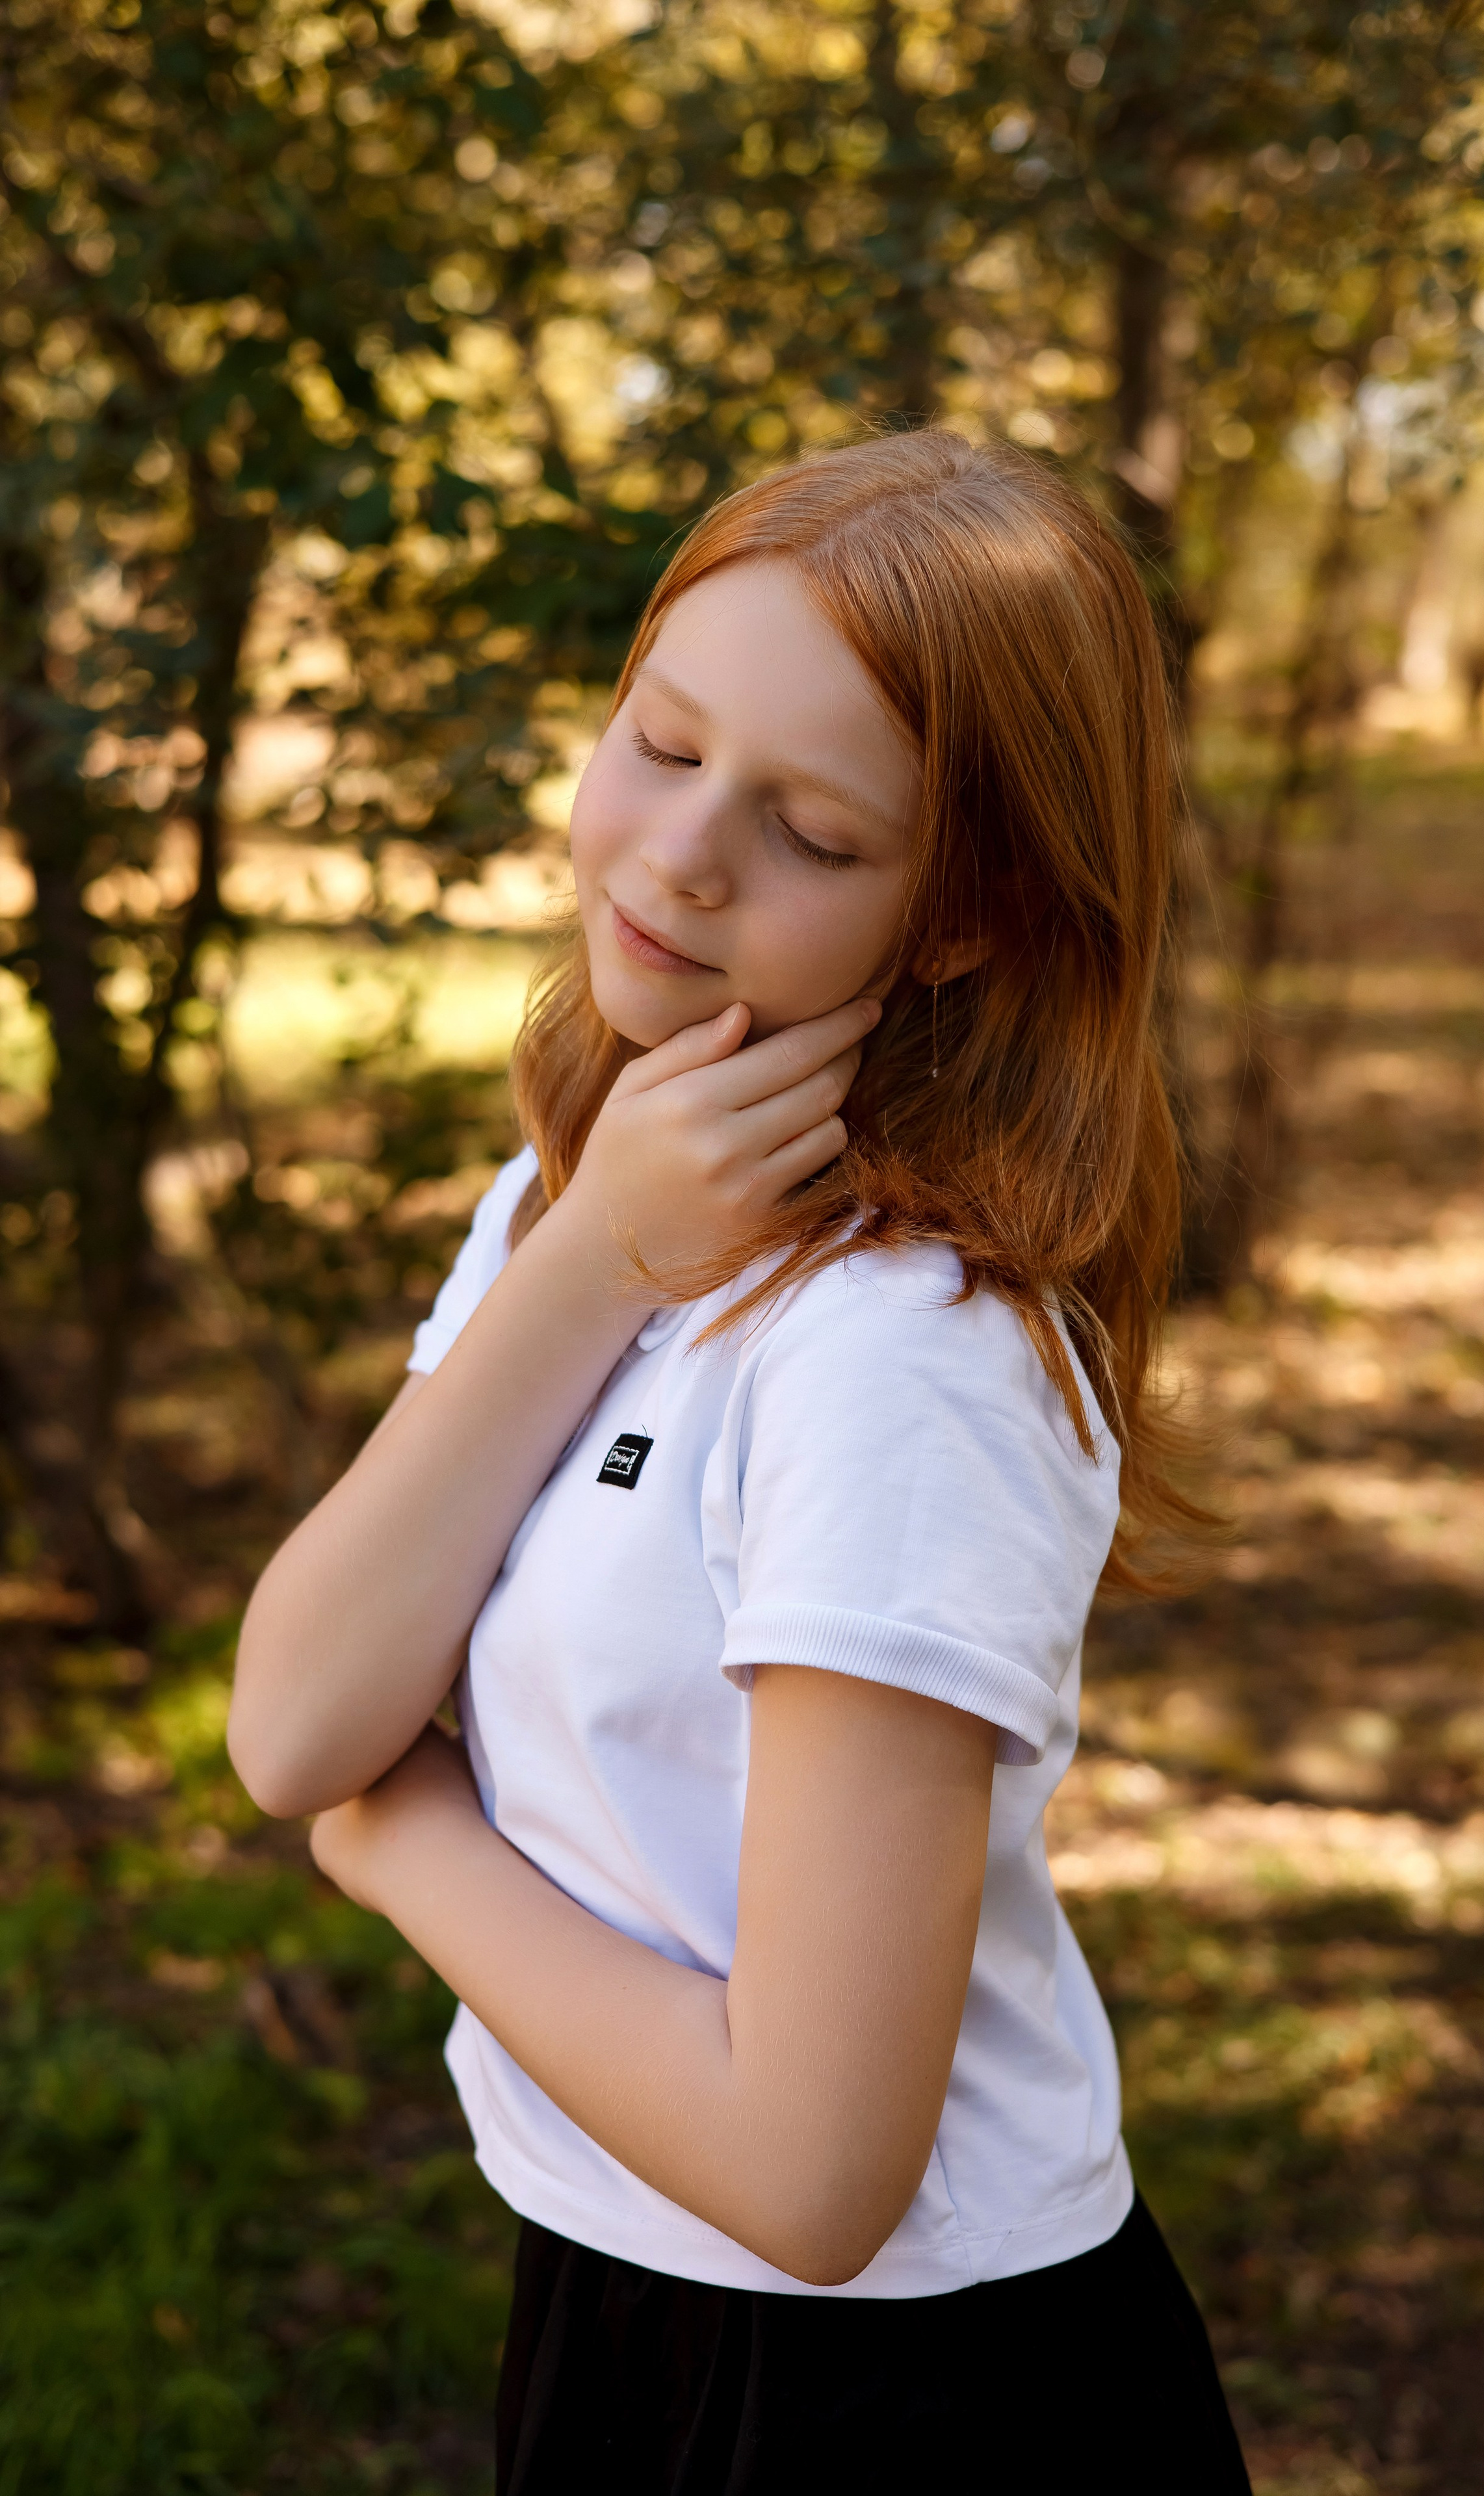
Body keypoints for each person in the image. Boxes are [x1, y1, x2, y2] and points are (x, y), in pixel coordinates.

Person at [228, 430, 1252, 2493]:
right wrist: (590, 1253)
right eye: (665, 741)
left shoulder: (903, 1356)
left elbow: (812, 2173)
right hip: (615, 2277)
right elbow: (293, 1717)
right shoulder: (589, 1202)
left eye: (808, 826)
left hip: (899, 2395)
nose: (684, 856)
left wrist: (400, 1847)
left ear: (961, 919)